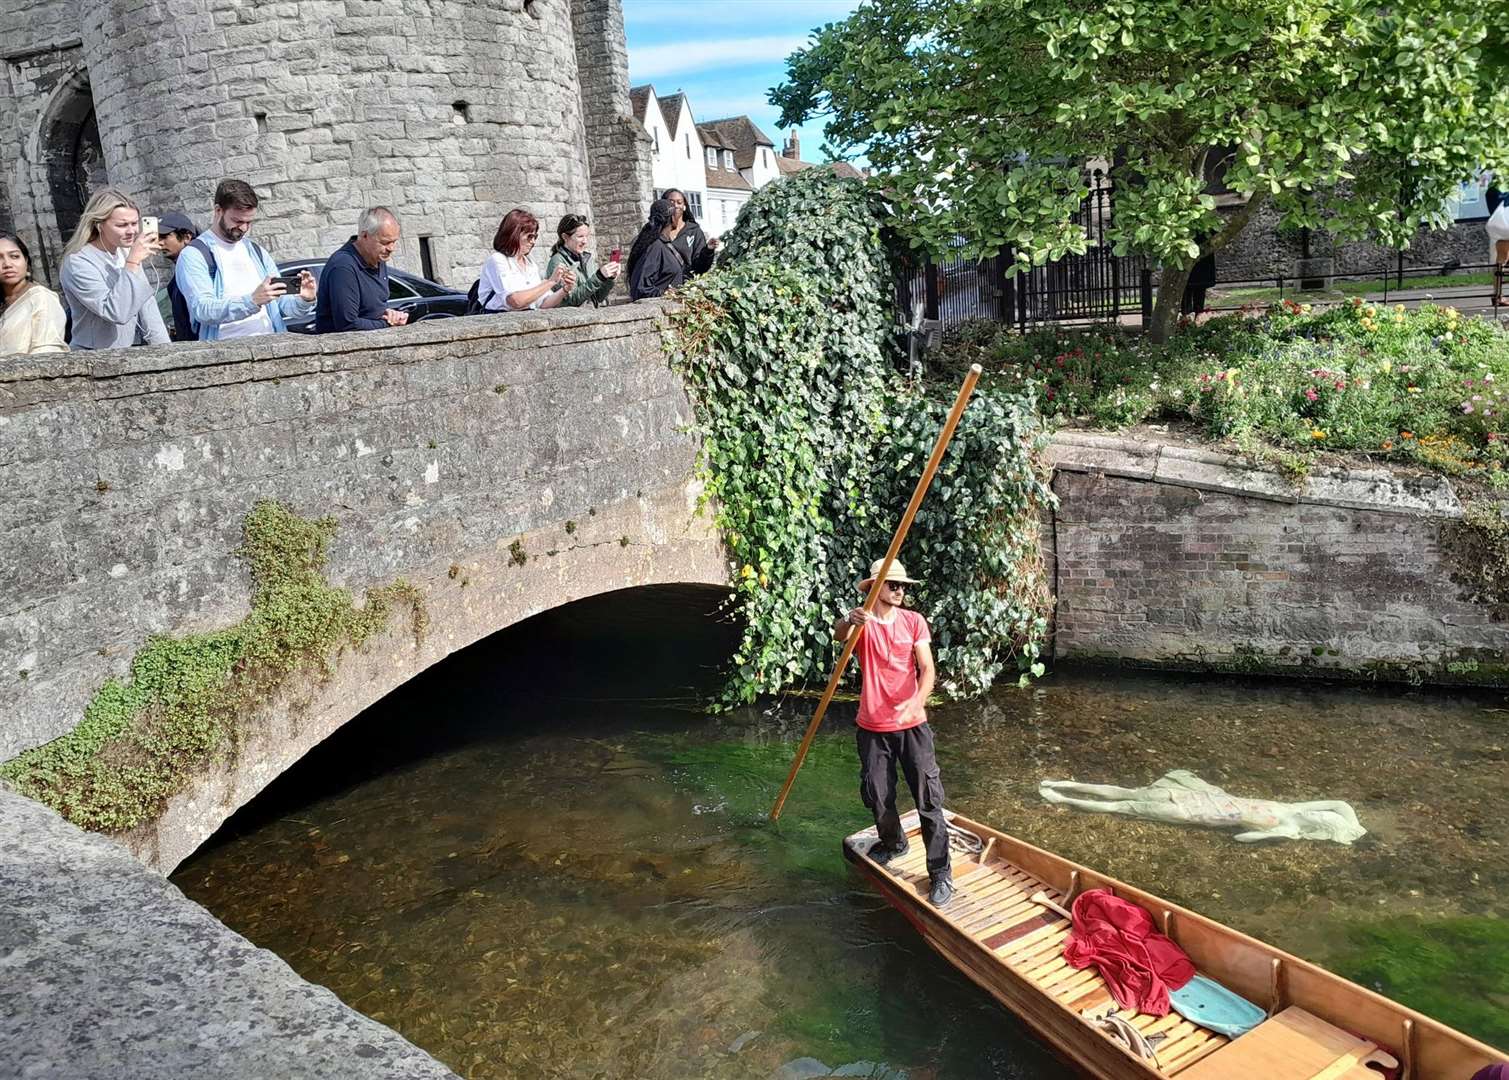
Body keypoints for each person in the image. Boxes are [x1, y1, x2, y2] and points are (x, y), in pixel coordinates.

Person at [832, 558, 953, 907]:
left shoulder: (914, 621)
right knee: (876, 793)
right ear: (874, 588)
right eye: (893, 585)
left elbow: (927, 669)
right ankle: (893, 842)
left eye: (903, 586)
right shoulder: (862, 625)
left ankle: (940, 872)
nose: (900, 591)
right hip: (872, 727)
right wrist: (847, 620)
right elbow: (839, 634)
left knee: (928, 798)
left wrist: (917, 701)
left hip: (912, 725)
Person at [176, 181, 315, 341]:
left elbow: (284, 306)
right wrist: (252, 301)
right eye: (237, 221)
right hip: (224, 354)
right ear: (218, 211)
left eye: (249, 222)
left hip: (271, 347)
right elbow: (203, 310)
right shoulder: (193, 255)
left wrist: (305, 299)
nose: (243, 228)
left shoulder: (256, 251)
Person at [58, 188, 170, 350]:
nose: (131, 231)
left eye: (134, 223)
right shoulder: (78, 262)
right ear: (99, 225)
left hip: (125, 351)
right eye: (122, 225)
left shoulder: (125, 251)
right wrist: (132, 263)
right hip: (92, 355)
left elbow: (147, 306)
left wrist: (165, 350)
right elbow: (116, 312)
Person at [315, 207, 408, 333]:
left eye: (394, 241)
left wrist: (389, 314)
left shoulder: (377, 257)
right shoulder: (343, 267)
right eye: (385, 242)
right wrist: (386, 324)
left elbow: (370, 309)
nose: (391, 248)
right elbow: (347, 324)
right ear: (364, 235)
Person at [477, 208, 575, 312]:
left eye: (535, 237)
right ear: (514, 234)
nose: (533, 242)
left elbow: (542, 304)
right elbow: (515, 301)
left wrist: (565, 289)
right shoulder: (498, 260)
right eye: (530, 236)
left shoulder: (530, 264)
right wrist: (550, 282)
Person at [0, 232, 68, 356]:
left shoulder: (41, 299)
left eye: (14, 256)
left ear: (26, 261)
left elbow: (47, 353)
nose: (7, 264)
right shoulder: (4, 301)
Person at [543, 213, 620, 307]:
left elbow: (598, 297)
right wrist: (599, 276)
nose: (585, 241)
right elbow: (569, 301)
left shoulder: (588, 260)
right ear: (565, 237)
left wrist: (609, 279)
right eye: (580, 236)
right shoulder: (558, 263)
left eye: (587, 236)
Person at [626, 199, 685, 301]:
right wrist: (665, 293)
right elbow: (640, 288)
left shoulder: (665, 244)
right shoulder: (655, 247)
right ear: (672, 217)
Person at [155, 211, 199, 341]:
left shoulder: (197, 268)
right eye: (157, 238)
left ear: (186, 237)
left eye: (164, 237)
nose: (159, 243)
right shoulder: (179, 273)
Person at [661, 188, 718, 276]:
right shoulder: (656, 232)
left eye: (679, 202)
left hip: (685, 286)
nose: (676, 205)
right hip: (661, 286)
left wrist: (708, 250)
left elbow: (700, 267)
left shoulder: (694, 231)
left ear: (684, 206)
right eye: (671, 202)